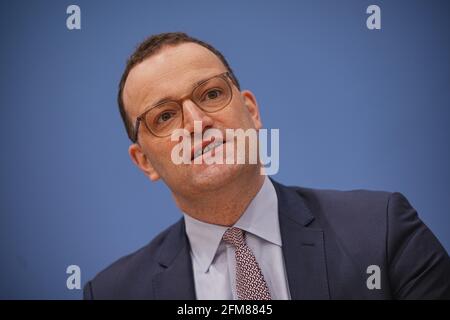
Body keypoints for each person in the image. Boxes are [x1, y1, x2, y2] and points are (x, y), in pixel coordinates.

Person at [84, 32, 450, 300]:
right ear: (144, 161)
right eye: (164, 116)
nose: (196, 123)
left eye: (211, 94)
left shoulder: (382, 231)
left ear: (252, 111)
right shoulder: (113, 293)